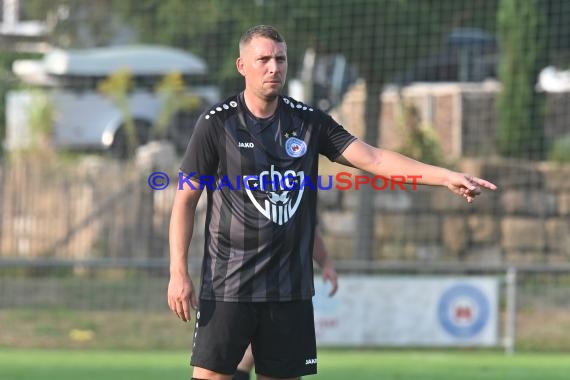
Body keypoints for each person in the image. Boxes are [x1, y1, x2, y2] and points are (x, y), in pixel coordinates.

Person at [167, 24, 497, 380]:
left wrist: (445, 175)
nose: (274, 67)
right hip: (228, 286)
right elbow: (185, 200)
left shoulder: (309, 123)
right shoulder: (217, 124)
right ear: (242, 66)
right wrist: (178, 271)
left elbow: (374, 159)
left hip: (289, 290)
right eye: (263, 59)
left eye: (280, 59)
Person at [233, 232, 338, 380]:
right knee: (240, 358)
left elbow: (310, 226)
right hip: (244, 284)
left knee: (282, 365)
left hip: (288, 290)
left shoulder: (300, 211)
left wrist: (326, 262)